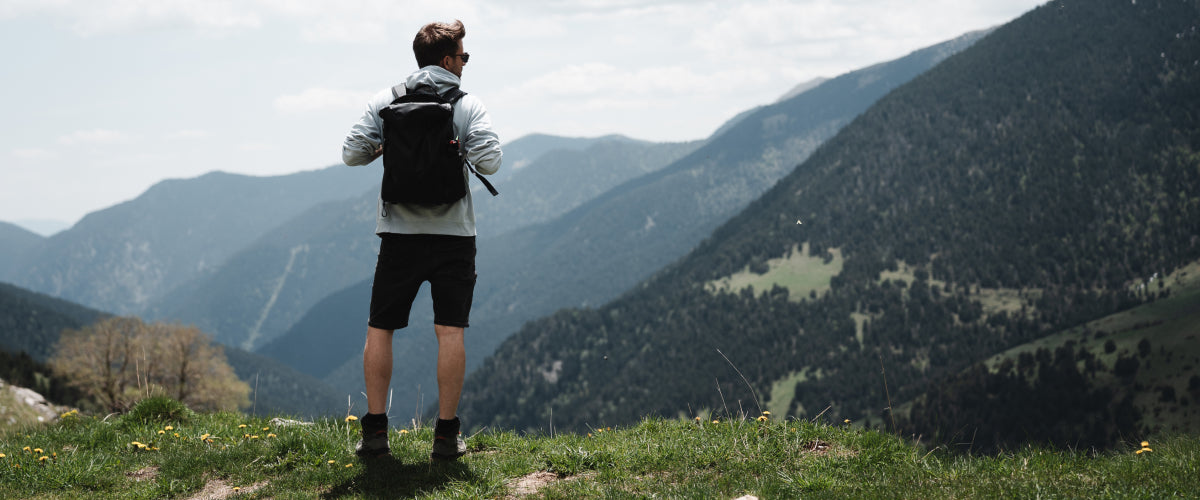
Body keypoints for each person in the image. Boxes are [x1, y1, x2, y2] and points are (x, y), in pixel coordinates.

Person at [341, 19, 502, 460]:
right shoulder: (468, 104)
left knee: (380, 330)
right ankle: (446, 438)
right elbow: (491, 162)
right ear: (448, 60)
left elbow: (351, 152)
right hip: (453, 236)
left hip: (398, 235)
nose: (465, 64)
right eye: (464, 56)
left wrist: (383, 148)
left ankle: (374, 434)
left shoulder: (386, 100)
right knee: (450, 333)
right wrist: (459, 147)